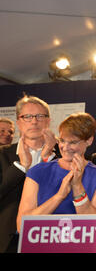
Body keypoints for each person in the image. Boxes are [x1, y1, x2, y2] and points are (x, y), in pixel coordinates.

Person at [16, 112, 96, 233]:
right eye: (62, 140)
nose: (65, 147)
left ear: (89, 141)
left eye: (73, 142)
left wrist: (77, 186)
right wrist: (59, 196)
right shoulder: (38, 172)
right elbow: (21, 226)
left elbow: (93, 227)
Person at [0, 95, 59, 253]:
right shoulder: (2, 154)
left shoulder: (63, 154)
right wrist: (21, 167)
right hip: (8, 240)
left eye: (40, 116)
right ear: (18, 122)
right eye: (27, 117)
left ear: (48, 121)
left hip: (52, 236)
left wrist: (48, 160)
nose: (34, 121)